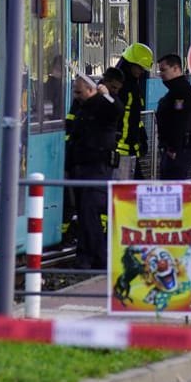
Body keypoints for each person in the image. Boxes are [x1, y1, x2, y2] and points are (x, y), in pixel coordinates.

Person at [64, 74, 119, 270]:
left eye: (78, 91)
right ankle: (86, 257)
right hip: (82, 168)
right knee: (85, 214)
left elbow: (116, 111)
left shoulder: (103, 105)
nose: (75, 95)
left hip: (96, 168)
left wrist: (107, 95)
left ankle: (98, 259)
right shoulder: (82, 107)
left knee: (90, 212)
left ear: (91, 90)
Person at [111, 43, 154, 179]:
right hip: (120, 150)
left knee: (135, 188)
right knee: (123, 192)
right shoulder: (120, 87)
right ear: (131, 64)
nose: (142, 72)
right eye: (140, 68)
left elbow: (133, 117)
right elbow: (119, 117)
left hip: (128, 149)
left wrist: (141, 137)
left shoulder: (132, 86)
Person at [153, 53, 191, 180]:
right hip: (175, 147)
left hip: (178, 149)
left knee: (173, 184)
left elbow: (180, 120)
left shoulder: (181, 91)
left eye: (163, 70)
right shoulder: (176, 91)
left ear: (176, 69)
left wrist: (173, 148)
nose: (161, 74)